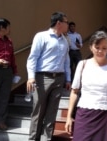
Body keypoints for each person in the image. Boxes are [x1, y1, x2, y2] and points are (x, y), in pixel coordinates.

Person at [65, 31, 107, 141]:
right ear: (91, 47)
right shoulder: (82, 64)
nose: (100, 51)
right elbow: (74, 92)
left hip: (104, 114)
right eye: (97, 47)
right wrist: (69, 117)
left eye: (104, 48)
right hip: (84, 113)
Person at [26, 12, 71, 141]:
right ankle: (33, 139)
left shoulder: (65, 40)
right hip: (42, 78)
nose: (67, 25)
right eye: (66, 22)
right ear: (59, 23)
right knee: (38, 111)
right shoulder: (41, 36)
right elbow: (33, 58)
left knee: (52, 112)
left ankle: (47, 138)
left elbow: (66, 61)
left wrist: (68, 79)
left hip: (59, 78)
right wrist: (30, 77)